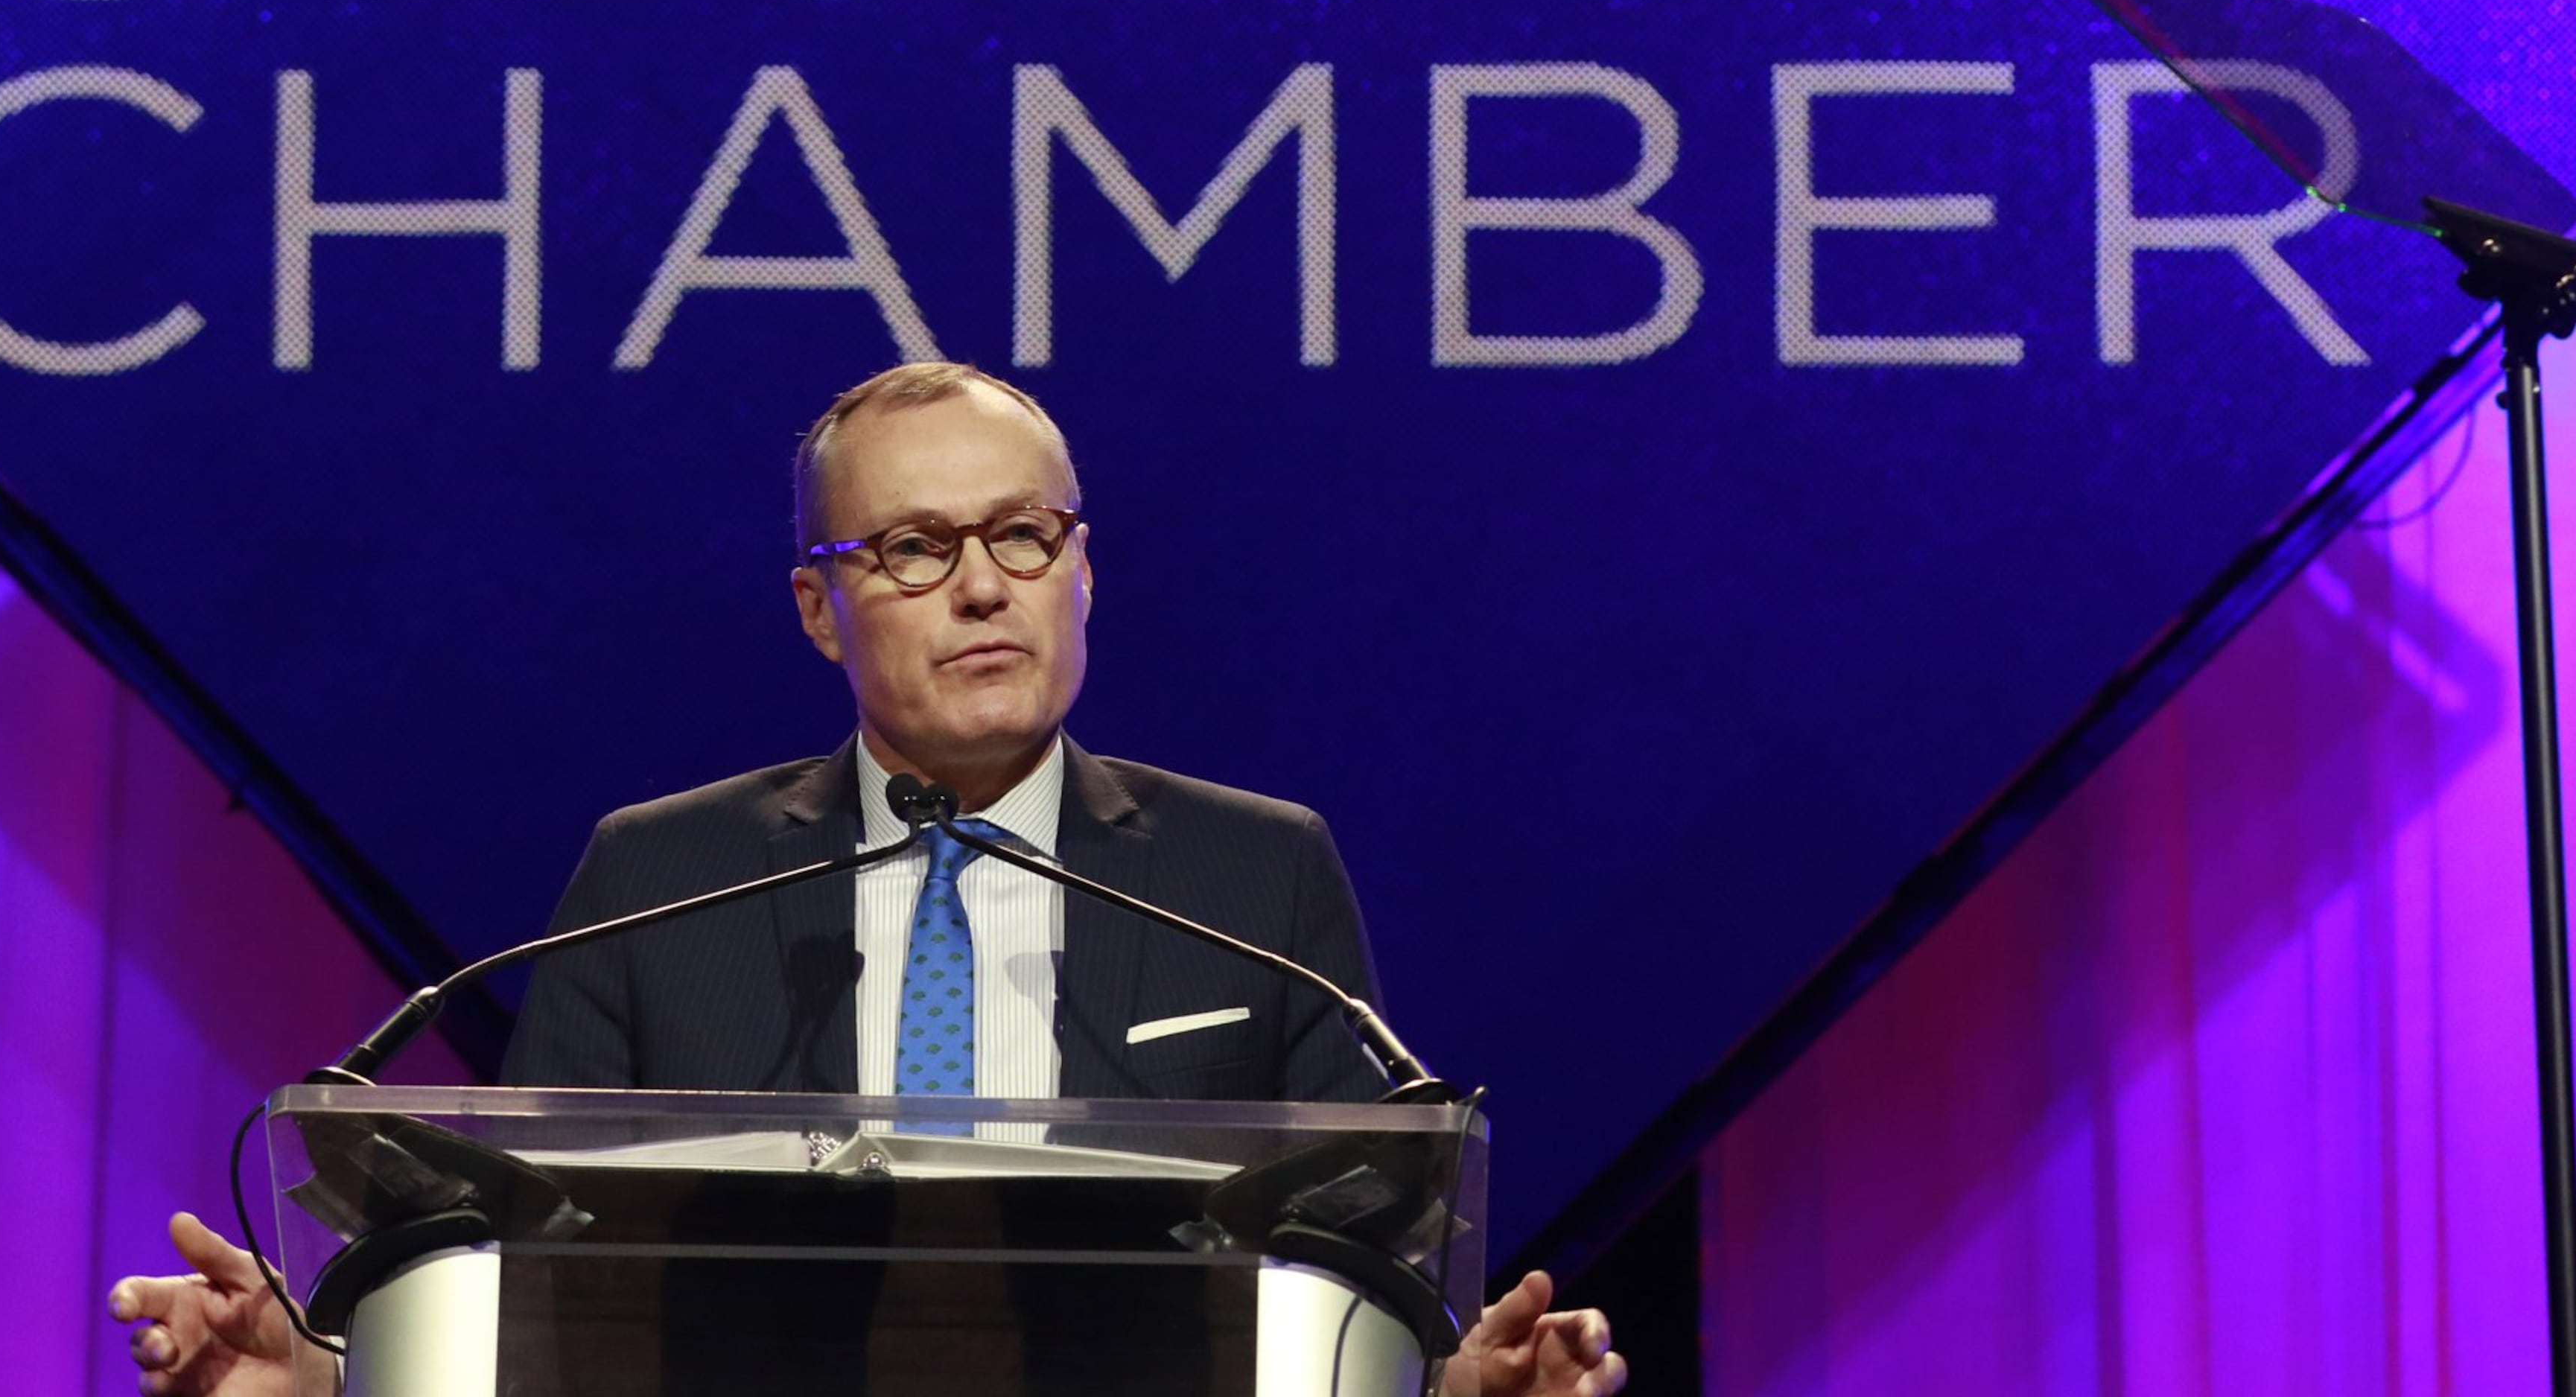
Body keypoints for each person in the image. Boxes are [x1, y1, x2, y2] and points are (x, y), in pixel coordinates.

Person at [112, 364, 1626, 1397]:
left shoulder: (1254, 876)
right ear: (822, 612)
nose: (982, 585)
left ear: (1081, 568)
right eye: (912, 548)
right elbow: (520, 1275)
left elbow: (1354, 1284)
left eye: (1024, 536)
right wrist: (322, 1375)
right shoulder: (664, 876)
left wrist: (1443, 1387)